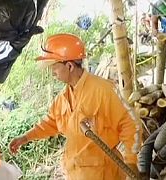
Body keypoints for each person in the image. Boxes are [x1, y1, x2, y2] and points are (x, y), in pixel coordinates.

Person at [9, 34, 141, 180]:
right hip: (74, 173)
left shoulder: (103, 90)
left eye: (54, 67)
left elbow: (130, 124)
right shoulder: (63, 98)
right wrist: (26, 137)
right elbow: (50, 123)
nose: (52, 72)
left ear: (69, 66)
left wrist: (131, 161)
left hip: (103, 174)